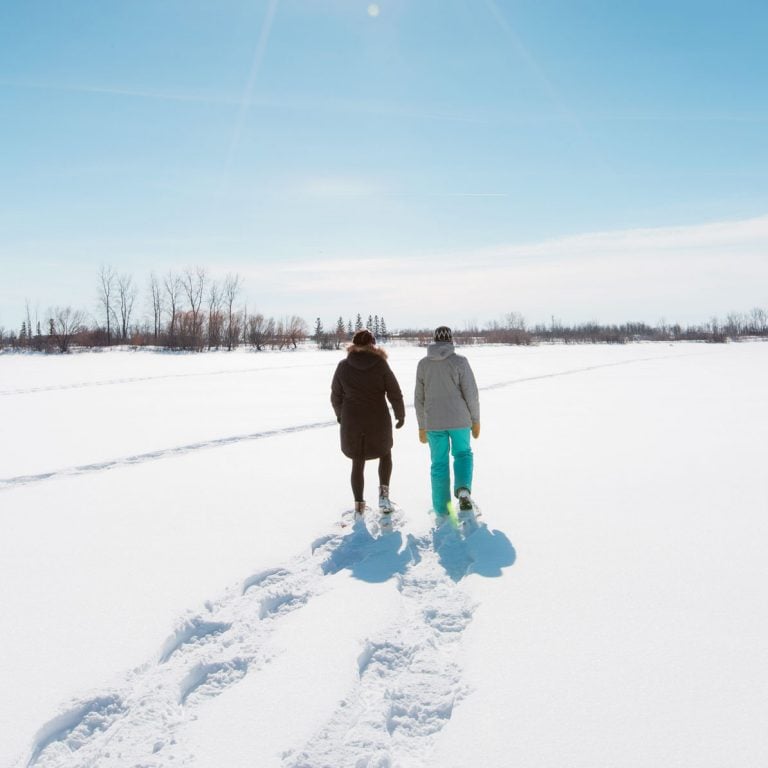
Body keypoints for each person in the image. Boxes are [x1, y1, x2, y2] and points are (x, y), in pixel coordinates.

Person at [331, 329, 405, 518]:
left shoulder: (343, 366)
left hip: (352, 421)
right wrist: (400, 414)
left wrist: (341, 415)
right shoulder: (380, 364)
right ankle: (384, 498)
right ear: (372, 344)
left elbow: (335, 396)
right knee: (385, 454)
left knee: (358, 460)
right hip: (378, 419)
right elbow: (394, 391)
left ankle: (358, 505)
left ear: (354, 345)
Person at [414, 325, 480, 519]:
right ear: (451, 341)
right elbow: (471, 394)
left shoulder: (423, 364)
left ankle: (442, 509)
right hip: (460, 421)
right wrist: (475, 420)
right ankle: (463, 491)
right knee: (463, 454)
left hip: (433, 423)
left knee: (439, 463)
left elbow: (419, 398)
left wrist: (421, 426)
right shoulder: (460, 362)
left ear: (434, 340)